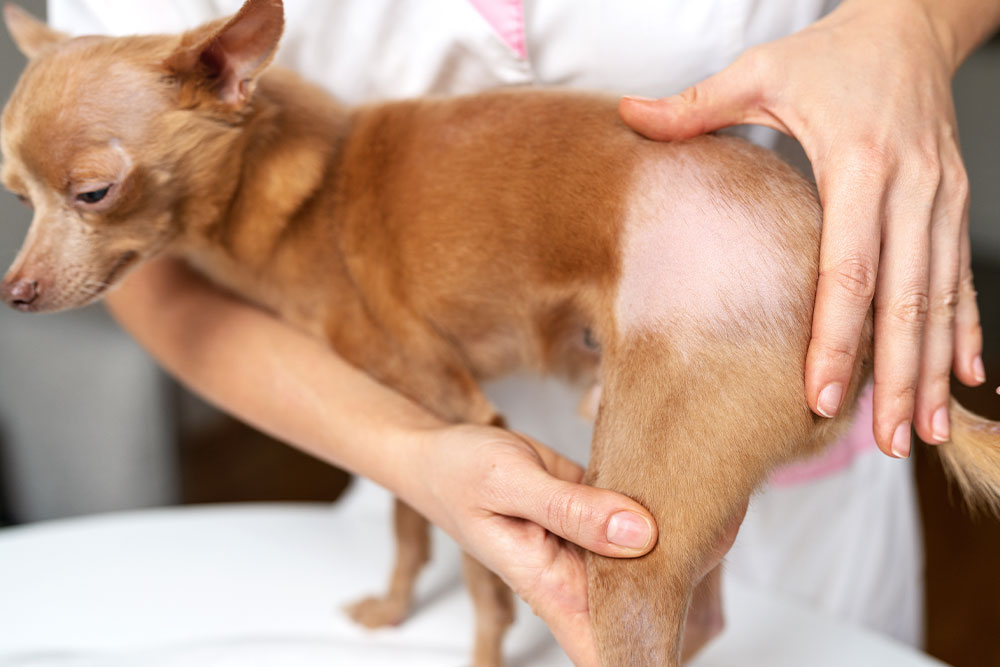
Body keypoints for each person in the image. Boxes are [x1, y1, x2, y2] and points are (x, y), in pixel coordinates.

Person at [46, 0, 1000, 664]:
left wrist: (911, 23)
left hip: (758, 325)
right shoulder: (169, 134)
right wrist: (411, 455)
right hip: (440, 436)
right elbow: (153, 276)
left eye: (87, 194)